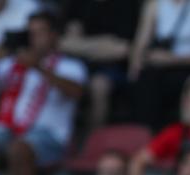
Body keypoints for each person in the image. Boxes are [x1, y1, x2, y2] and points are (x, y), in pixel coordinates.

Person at [0, 9, 87, 175]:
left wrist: (38, 67)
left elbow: (77, 92)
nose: (34, 38)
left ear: (54, 36)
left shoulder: (70, 66)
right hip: (9, 130)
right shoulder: (12, 64)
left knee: (19, 148)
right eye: (30, 33)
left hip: (50, 137)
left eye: (40, 32)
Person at [129, 0, 190, 130]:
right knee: (145, 81)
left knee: (183, 83)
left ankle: (182, 134)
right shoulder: (155, 5)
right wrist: (135, 66)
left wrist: (172, 59)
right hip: (160, 65)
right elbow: (141, 40)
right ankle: (147, 134)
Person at [61, 0, 144, 129]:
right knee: (61, 79)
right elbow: (64, 44)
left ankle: (93, 140)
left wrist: (82, 46)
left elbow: (123, 49)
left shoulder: (127, 4)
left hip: (115, 67)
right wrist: (103, 45)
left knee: (99, 85)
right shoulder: (77, 3)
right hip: (78, 65)